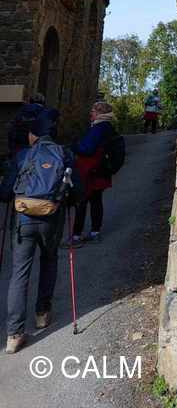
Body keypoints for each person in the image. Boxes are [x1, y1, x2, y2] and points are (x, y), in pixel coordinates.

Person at [1, 117, 82, 353]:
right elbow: (77, 191)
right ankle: (42, 314)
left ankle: (14, 335)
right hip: (51, 220)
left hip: (24, 220)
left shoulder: (23, 155)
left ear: (32, 135)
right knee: (49, 261)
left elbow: (5, 193)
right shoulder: (64, 154)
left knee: (19, 273)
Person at [68, 101, 117, 246]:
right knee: (96, 201)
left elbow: (87, 149)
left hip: (89, 171)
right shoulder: (109, 128)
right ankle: (95, 232)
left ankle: (76, 235)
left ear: (100, 113)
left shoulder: (97, 129)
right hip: (102, 170)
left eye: (93, 111)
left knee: (81, 201)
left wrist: (74, 146)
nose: (91, 113)